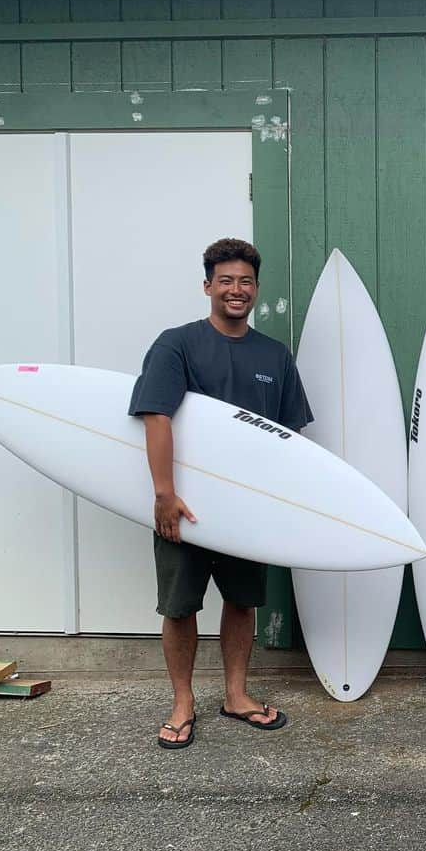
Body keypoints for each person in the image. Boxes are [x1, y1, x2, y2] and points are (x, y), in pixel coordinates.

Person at [129, 238, 311, 749]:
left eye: (246, 281)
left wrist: (279, 504)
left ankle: (236, 694)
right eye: (226, 280)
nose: (237, 290)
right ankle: (182, 703)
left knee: (241, 602)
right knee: (180, 607)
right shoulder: (177, 344)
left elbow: (289, 439)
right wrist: (164, 494)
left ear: (256, 288)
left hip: (245, 510)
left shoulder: (273, 355)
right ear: (208, 285)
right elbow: (157, 416)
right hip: (183, 505)